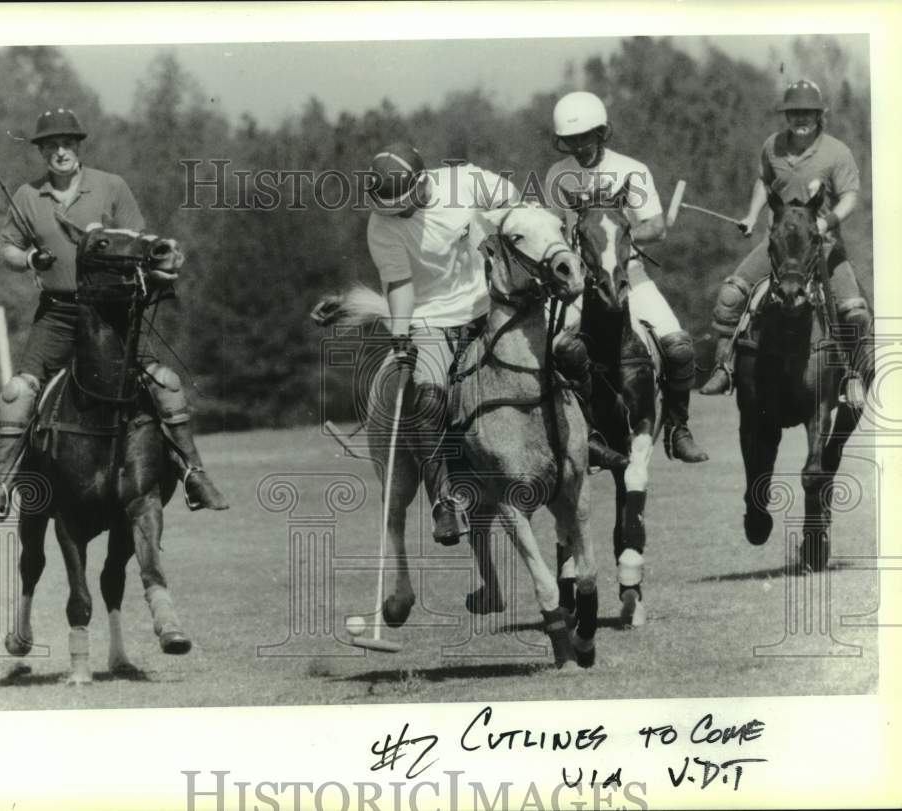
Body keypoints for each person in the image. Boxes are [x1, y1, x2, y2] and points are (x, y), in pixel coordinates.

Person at [0, 107, 228, 520]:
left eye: (68, 143)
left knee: (166, 383)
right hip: (57, 314)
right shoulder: (26, 196)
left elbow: (140, 239)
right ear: (41, 151)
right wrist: (30, 258)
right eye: (52, 145)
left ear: (78, 146)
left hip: (113, 316)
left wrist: (161, 264)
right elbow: (8, 249)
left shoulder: (111, 187)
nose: (61, 152)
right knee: (18, 393)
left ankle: (195, 474)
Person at [364, 142, 529, 545]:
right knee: (429, 393)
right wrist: (401, 334)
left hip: (490, 306)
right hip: (430, 319)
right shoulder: (381, 224)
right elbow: (399, 285)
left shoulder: (465, 181)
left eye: (404, 203)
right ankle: (444, 501)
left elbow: (517, 209)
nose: (398, 213)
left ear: (423, 182)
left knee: (552, 353)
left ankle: (587, 442)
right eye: (390, 208)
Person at [545, 91, 709, 463]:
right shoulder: (557, 175)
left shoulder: (631, 170)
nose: (579, 146)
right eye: (571, 140)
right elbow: (552, 228)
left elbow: (656, 226)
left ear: (602, 132)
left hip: (629, 277)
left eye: (585, 137)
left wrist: (616, 236)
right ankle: (575, 432)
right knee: (553, 350)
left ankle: (679, 429)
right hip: (579, 286)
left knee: (679, 345)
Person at [700, 79, 872, 399]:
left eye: (808, 113)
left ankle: (854, 374)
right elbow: (764, 183)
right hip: (777, 245)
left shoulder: (837, 152)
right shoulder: (773, 146)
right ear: (786, 116)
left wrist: (826, 222)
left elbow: (849, 197)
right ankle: (723, 368)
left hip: (824, 246)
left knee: (855, 309)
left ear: (820, 115)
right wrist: (752, 215)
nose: (801, 119)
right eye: (794, 113)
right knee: (730, 295)